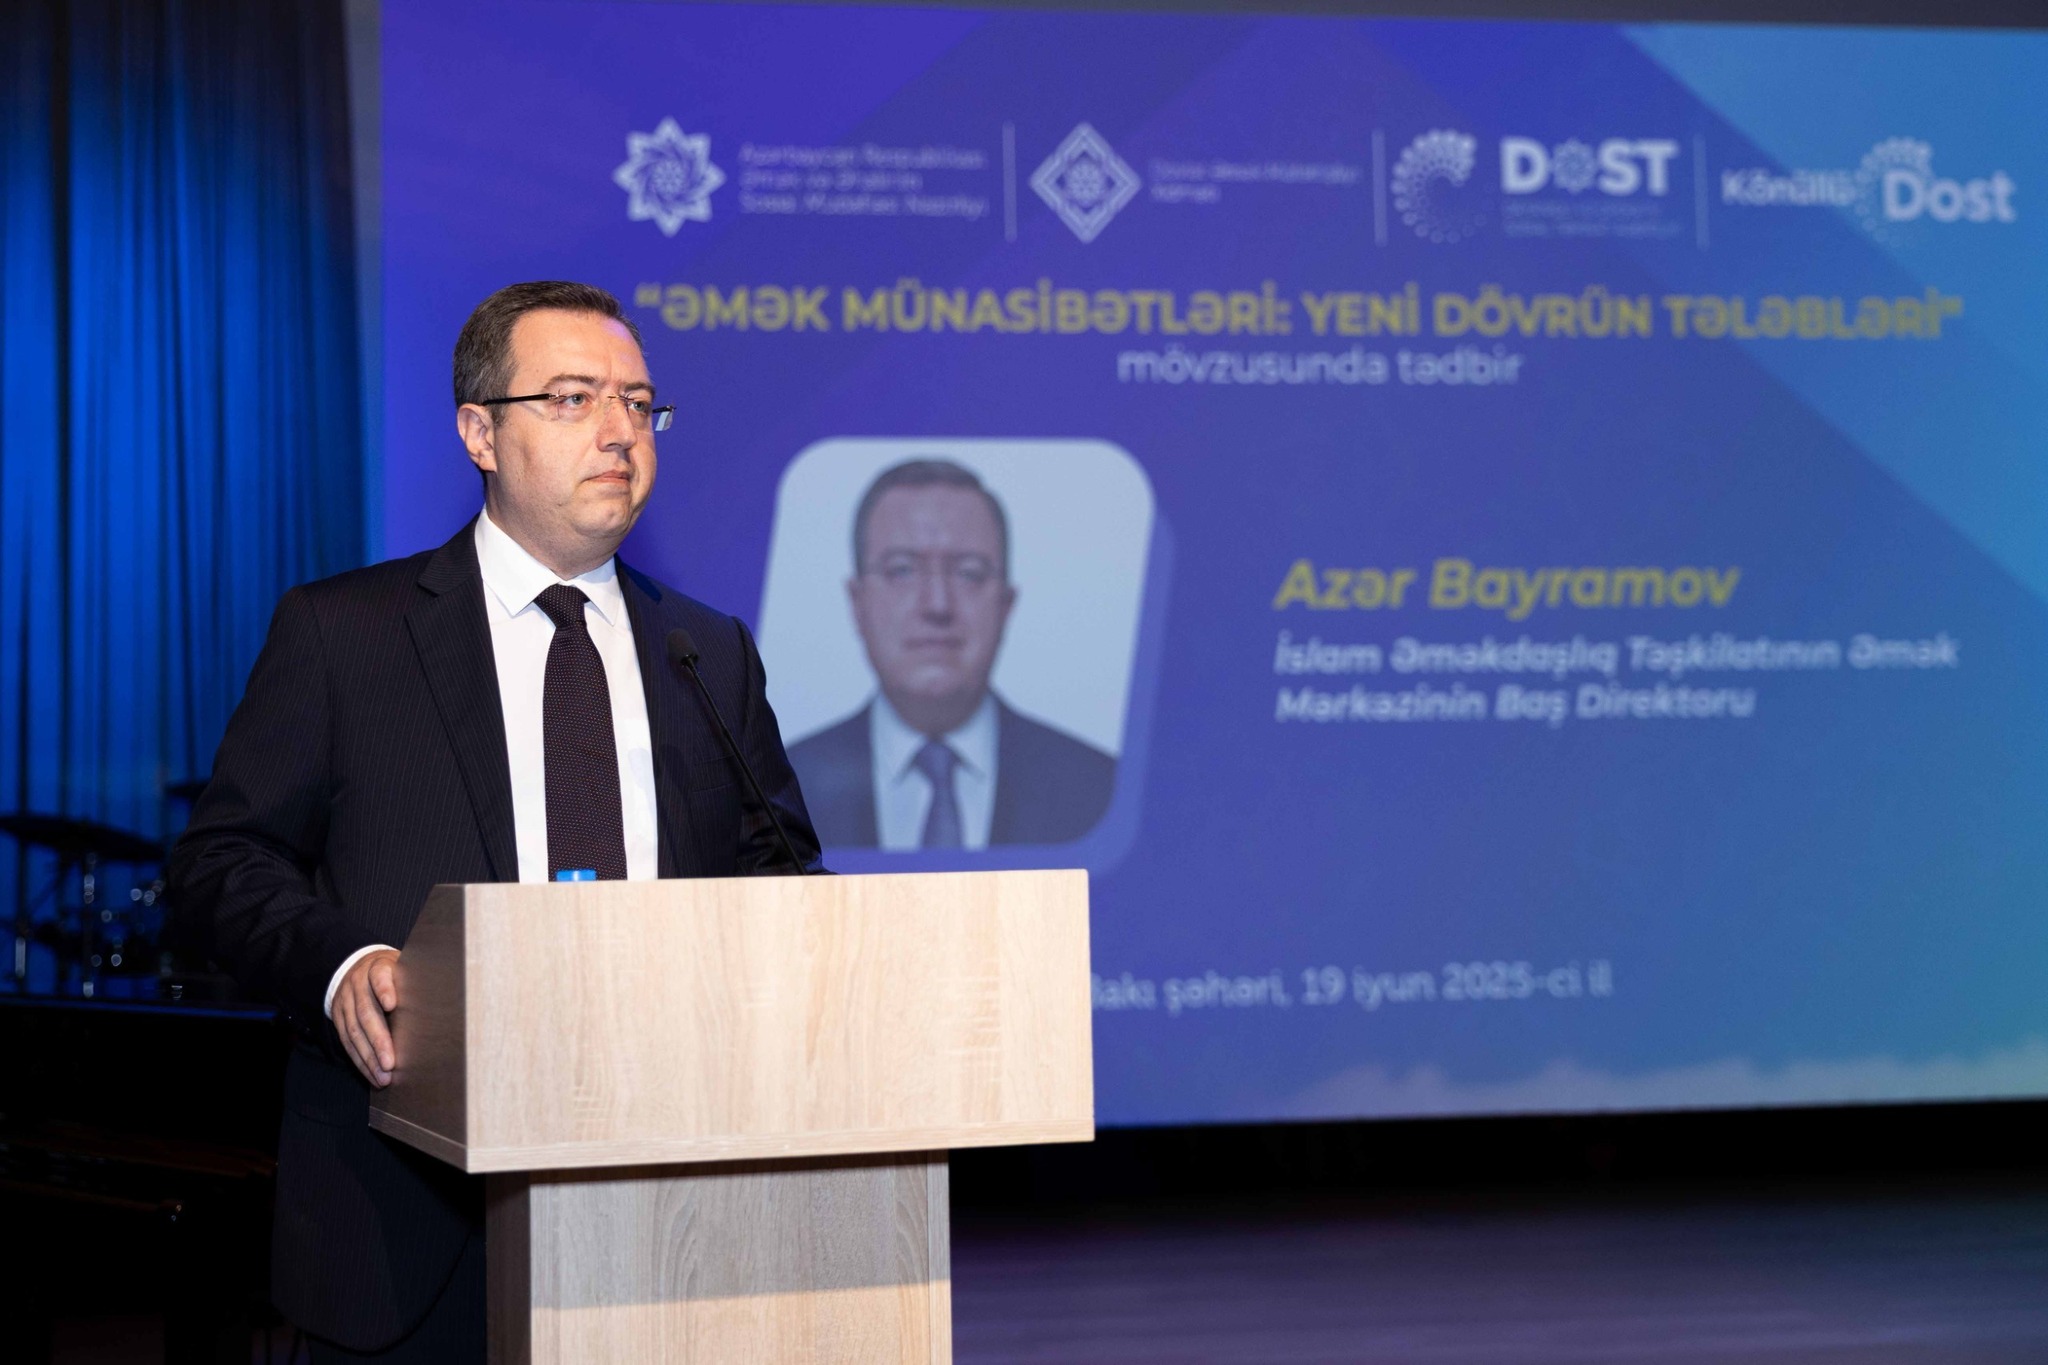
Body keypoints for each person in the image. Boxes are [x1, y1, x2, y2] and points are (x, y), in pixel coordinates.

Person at [167, 281, 821, 1363]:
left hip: (674, 1207)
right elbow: (221, 861)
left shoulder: (706, 652)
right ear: (479, 433)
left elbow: (782, 882)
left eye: (637, 402)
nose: (618, 430)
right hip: (409, 1214)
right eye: (571, 398)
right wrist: (340, 966)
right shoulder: (345, 633)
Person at [787, 459, 1115, 850]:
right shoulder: (777, 790)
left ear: (1006, 604)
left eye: (969, 573)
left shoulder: (1100, 791)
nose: (937, 605)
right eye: (902, 570)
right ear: (858, 603)